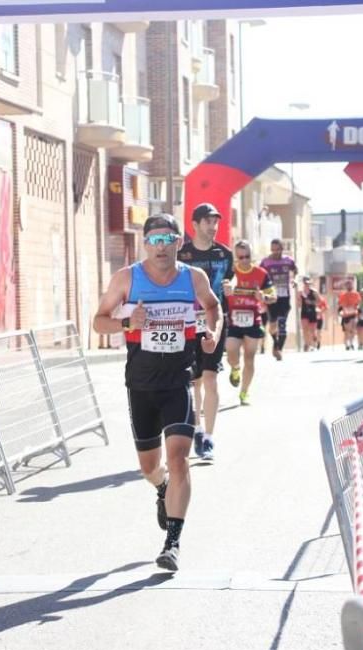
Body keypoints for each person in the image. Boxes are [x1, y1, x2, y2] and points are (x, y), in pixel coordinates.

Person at [92, 213, 221, 570]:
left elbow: (212, 306)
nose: (162, 247)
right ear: (145, 243)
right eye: (155, 240)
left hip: (179, 380)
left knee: (179, 458)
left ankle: (173, 543)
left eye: (169, 240)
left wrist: (212, 333)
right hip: (141, 384)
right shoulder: (126, 279)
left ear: (180, 242)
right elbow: (98, 321)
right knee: (150, 466)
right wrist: (124, 322)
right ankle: (161, 487)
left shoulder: (193, 277)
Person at [177, 202, 234, 461]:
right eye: (208, 222)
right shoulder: (182, 255)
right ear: (195, 225)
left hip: (217, 320)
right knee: (195, 381)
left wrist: (230, 285)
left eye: (216, 222)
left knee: (210, 378)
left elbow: (230, 277)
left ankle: (209, 438)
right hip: (189, 322)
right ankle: (197, 429)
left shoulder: (224, 253)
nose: (213, 227)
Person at [225, 241, 276, 405]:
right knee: (231, 350)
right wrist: (225, 289)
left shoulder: (261, 273)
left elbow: (273, 296)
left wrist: (264, 297)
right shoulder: (231, 271)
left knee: (249, 357)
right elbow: (221, 288)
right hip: (233, 319)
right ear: (236, 257)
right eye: (241, 257)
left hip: (253, 319)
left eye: (247, 256)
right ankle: (234, 368)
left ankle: (244, 392)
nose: (245, 260)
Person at [260, 239, 299, 360]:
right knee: (272, 325)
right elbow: (259, 275)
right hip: (271, 297)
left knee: (282, 324)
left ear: (282, 249)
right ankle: (275, 342)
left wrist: (295, 279)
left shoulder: (288, 260)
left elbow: (295, 270)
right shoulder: (265, 262)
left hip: (284, 296)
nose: (275, 252)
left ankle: (279, 349)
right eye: (273, 250)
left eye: (277, 250)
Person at [297, 276, 322, 351]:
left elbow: (319, 301)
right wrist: (299, 302)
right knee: (305, 329)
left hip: (312, 312)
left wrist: (311, 302)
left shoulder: (314, 292)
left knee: (312, 330)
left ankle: (313, 344)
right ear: (303, 283)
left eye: (308, 283)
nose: (307, 284)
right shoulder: (300, 292)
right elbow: (298, 303)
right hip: (304, 312)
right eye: (305, 283)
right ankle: (307, 344)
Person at [337, 280, 362, 350]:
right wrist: (341, 311)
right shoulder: (343, 295)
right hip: (346, 315)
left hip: (353, 313)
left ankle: (351, 343)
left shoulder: (356, 294)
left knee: (353, 329)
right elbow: (340, 305)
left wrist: (356, 308)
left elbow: (358, 303)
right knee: (347, 330)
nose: (349, 286)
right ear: (346, 286)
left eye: (350, 285)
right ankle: (347, 344)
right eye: (347, 285)